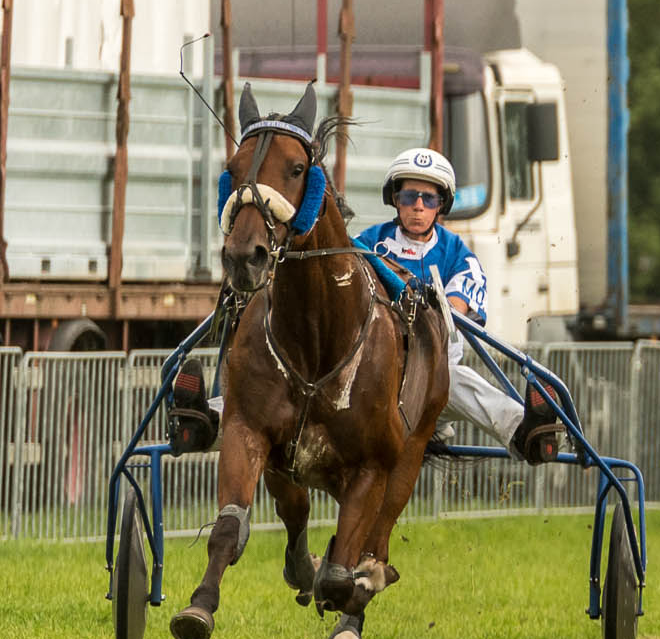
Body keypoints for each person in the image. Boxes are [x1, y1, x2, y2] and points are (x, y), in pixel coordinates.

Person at [171, 148, 561, 464]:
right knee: (277, 384)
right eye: (409, 196)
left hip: (427, 376)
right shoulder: (364, 242)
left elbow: (454, 314)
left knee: (457, 380)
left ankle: (525, 430)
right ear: (395, 199)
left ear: (442, 204)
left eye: (429, 198)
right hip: (367, 374)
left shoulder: (459, 255)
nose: (418, 206)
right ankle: (207, 420)